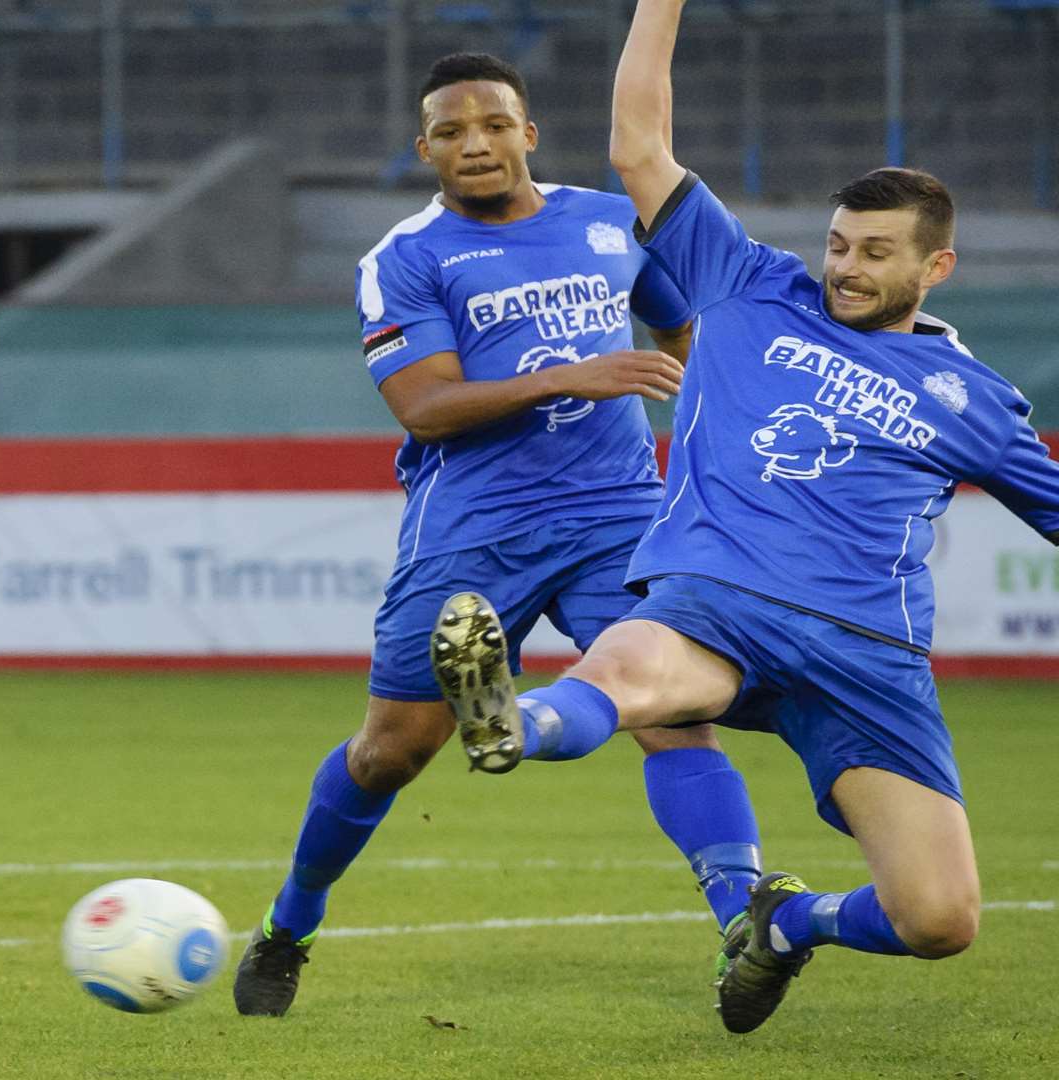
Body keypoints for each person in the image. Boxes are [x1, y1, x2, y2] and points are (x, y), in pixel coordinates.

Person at [431, 0, 1059, 1035]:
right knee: (630, 677)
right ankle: (512, 718)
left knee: (941, 918)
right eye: (840, 243)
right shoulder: (748, 282)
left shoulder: (971, 397)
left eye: (875, 253)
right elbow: (639, 142)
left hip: (868, 656)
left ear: (934, 268)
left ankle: (785, 924)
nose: (847, 267)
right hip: (719, 600)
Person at [232, 52, 771, 1018]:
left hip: (617, 513)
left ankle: (746, 930)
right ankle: (289, 923)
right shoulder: (406, 257)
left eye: (492, 124)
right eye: (450, 131)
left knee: (670, 712)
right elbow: (427, 408)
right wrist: (572, 375)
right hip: (475, 524)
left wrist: (695, 422)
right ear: (425, 150)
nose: (474, 143)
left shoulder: (611, 222)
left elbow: (683, 337)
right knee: (392, 752)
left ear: (528, 133)